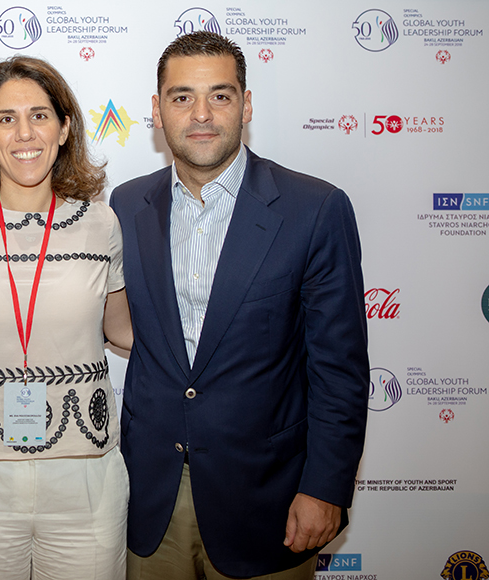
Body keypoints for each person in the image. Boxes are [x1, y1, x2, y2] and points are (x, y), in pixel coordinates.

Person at [108, 31, 369, 580]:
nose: (201, 114)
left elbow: (339, 370)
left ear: (246, 105)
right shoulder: (126, 204)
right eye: (181, 97)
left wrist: (324, 488)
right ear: (156, 111)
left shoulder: (315, 208)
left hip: (267, 499)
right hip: (150, 495)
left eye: (220, 96)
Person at [0, 56, 132, 579]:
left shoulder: (101, 224)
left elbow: (124, 331)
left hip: (85, 476)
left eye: (40, 115)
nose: (25, 133)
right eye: (7, 118)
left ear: (65, 129)